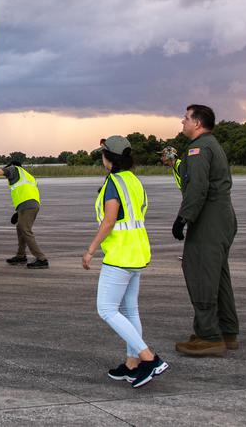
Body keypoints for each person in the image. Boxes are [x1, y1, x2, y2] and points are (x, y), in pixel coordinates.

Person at [82, 136, 168, 388]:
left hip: (120, 255)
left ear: (109, 158)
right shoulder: (133, 180)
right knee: (130, 309)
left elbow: (109, 221)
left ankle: (149, 358)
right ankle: (132, 365)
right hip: (137, 252)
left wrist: (91, 250)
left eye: (103, 154)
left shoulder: (113, 183)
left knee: (106, 309)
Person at [172, 104, 239, 357]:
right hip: (223, 218)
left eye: (186, 118)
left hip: (209, 219)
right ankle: (227, 331)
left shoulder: (198, 149)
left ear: (198, 123)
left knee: (200, 273)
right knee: (219, 276)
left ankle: (209, 335)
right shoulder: (213, 144)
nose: (183, 122)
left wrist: (183, 218)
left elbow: (197, 188)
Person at [0, 160, 48, 269]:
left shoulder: (14, 169)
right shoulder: (28, 175)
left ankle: (41, 259)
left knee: (25, 230)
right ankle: (21, 256)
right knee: (20, 228)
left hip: (28, 206)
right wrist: (18, 211)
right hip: (29, 205)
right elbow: (26, 192)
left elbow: (2, 171)